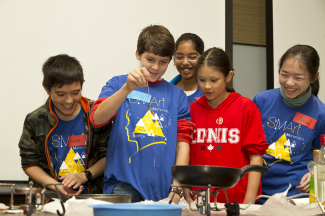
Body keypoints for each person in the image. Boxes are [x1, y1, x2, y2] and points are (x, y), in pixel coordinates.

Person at [90, 25, 195, 203]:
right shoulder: (118, 83)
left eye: (163, 61)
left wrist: (177, 187)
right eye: (150, 59)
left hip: (164, 187)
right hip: (123, 184)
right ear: (138, 54)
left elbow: (183, 145)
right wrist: (126, 89)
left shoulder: (177, 95)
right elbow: (97, 119)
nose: (155, 67)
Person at [19, 54, 112, 198]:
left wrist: (83, 176)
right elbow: (29, 163)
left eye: (75, 93)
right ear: (46, 88)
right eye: (61, 94)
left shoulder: (97, 114)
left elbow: (109, 156)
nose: (69, 100)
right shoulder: (35, 120)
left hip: (91, 198)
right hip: (49, 200)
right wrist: (55, 186)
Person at [190, 47, 268, 204]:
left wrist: (249, 203)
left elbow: (256, 158)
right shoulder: (191, 110)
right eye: (202, 79)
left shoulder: (246, 107)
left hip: (237, 202)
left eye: (214, 80)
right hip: (199, 202)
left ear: (228, 76)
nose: (207, 86)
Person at [253, 45, 325, 203]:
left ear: (314, 77)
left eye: (298, 78)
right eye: (284, 75)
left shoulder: (320, 113)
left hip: (295, 195)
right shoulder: (262, 101)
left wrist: (315, 172)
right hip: (256, 190)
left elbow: (321, 156)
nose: (289, 83)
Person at [170, 33, 204, 104]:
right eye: (179, 57)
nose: (185, 62)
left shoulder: (209, 92)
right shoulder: (166, 91)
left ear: (202, 59)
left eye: (192, 57)